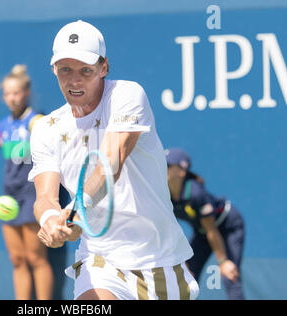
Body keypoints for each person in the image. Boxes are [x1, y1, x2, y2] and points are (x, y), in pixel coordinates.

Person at [27, 20, 199, 300]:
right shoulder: (46, 128)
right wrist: (50, 220)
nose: (74, 80)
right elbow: (44, 196)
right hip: (100, 261)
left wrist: (74, 212)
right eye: (65, 70)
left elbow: (110, 163)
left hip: (162, 259)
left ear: (103, 67)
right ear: (53, 70)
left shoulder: (127, 95)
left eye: (85, 70)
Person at [0, 64, 53, 300]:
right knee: (17, 259)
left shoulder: (36, 120)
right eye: (8, 93)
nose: (12, 98)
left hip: (31, 192)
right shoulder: (1, 126)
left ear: (26, 92)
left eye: (16, 92)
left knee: (36, 258)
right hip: (9, 193)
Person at [165, 147, 245, 300]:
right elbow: (171, 230)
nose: (164, 169)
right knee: (185, 277)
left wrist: (222, 261)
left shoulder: (195, 193)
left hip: (228, 227)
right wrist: (181, 260)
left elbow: (212, 231)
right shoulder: (164, 194)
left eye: (168, 166)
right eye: (162, 165)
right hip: (203, 232)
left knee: (230, 274)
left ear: (182, 171)